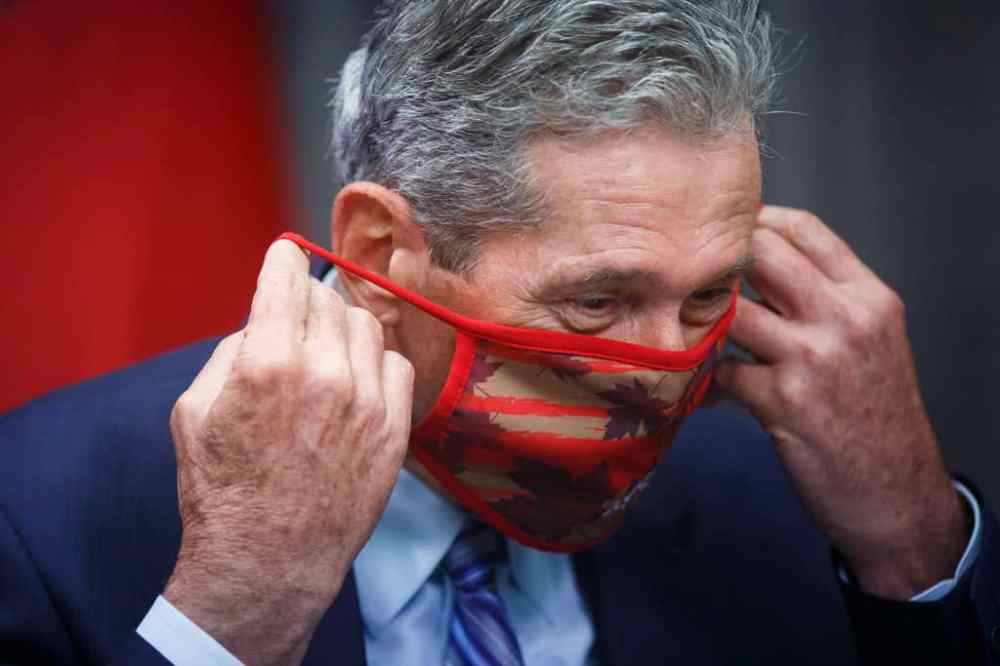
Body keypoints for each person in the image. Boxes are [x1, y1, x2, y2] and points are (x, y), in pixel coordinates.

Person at [1, 0, 996, 664]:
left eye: (708, 297)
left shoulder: (783, 487)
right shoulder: (35, 515)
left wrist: (911, 541)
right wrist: (235, 612)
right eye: (598, 302)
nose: (670, 372)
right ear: (381, 251)